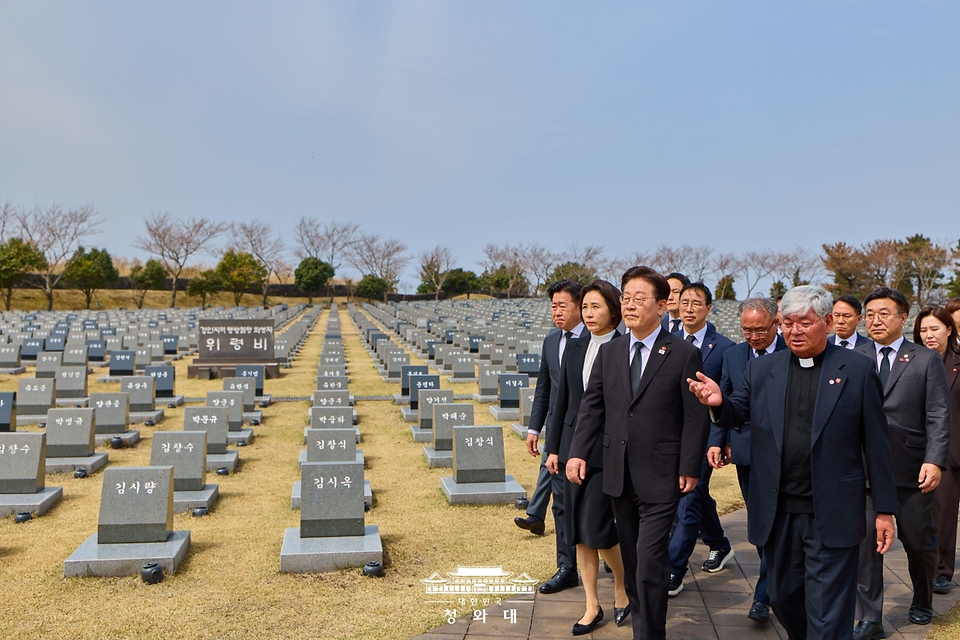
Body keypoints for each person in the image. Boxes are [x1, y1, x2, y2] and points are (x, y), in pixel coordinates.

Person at [688, 284, 898, 640]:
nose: (794, 331)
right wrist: (718, 403)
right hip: (779, 512)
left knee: (828, 611)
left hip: (832, 511)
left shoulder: (858, 370)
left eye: (804, 322)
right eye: (788, 323)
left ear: (827, 323)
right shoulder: (763, 369)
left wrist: (884, 509)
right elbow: (737, 410)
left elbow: (877, 444)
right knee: (784, 598)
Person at [566, 266, 709, 640]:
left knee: (649, 561)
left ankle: (649, 634)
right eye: (626, 298)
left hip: (662, 474)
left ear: (661, 306)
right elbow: (593, 407)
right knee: (631, 562)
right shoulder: (610, 351)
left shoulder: (683, 354)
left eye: (639, 299)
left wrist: (689, 465)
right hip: (617, 472)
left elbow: (695, 417)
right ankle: (644, 627)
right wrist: (578, 452)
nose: (629, 305)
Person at [853, 287, 951, 638]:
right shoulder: (853, 357)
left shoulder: (924, 359)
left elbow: (938, 414)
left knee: (919, 542)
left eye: (884, 313)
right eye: (870, 314)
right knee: (866, 546)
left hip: (911, 469)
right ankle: (869, 618)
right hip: (864, 470)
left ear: (903, 318)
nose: (875, 320)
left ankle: (923, 599)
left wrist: (934, 460)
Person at [544, 280, 630, 634]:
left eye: (596, 307)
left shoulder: (625, 347)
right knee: (577, 531)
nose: (589, 313)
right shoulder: (576, 347)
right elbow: (561, 400)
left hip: (606, 451)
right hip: (571, 449)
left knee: (596, 528)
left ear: (613, 310)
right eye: (586, 307)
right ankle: (592, 604)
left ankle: (623, 586)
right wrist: (553, 448)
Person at [706, 297, 786, 623]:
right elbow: (725, 401)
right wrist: (718, 441)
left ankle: (764, 595)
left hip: (784, 453)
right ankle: (774, 585)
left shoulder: (793, 351)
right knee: (760, 523)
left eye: (761, 330)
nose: (754, 336)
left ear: (776, 323)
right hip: (746, 451)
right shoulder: (734, 355)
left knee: (781, 524)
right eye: (747, 330)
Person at [667, 282, 736, 597]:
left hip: (706, 434)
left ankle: (674, 568)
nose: (689, 308)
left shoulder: (724, 348)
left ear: (709, 308)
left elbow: (727, 398)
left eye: (696, 303)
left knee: (688, 498)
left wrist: (721, 439)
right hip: (670, 434)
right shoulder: (667, 341)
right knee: (696, 493)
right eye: (684, 302)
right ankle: (719, 544)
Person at [517, 279, 583, 595]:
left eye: (562, 306)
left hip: (590, 433)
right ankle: (567, 567)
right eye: (553, 306)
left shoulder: (598, 340)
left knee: (598, 504)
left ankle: (611, 555)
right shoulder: (552, 340)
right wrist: (535, 429)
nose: (557, 312)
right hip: (558, 435)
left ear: (580, 306)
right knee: (561, 505)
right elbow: (544, 388)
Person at [913, 306, 960, 596]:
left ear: (949, 330)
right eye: (923, 330)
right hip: (925, 450)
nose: (929, 335)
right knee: (934, 514)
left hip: (954, 446)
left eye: (935, 329)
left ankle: (942, 569)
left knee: (944, 513)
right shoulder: (912, 361)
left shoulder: (956, 360)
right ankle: (936, 569)